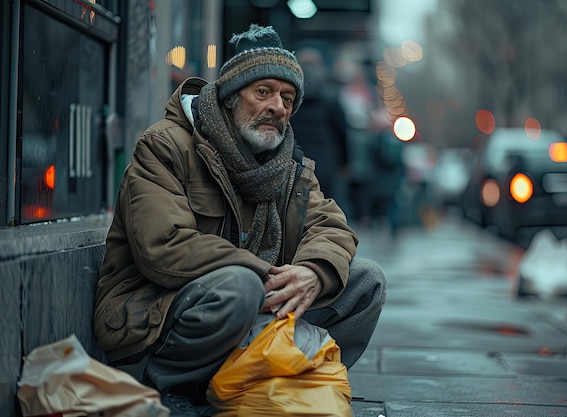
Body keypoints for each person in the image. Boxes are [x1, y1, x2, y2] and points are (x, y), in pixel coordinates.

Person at [93, 23, 386, 416]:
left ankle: (278, 377)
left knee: (366, 281)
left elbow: (331, 225)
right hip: (155, 314)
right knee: (241, 286)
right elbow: (162, 245)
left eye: (287, 97)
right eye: (262, 92)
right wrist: (267, 275)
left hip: (252, 305)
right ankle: (170, 384)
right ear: (231, 97)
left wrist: (312, 273)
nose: (277, 107)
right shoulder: (166, 145)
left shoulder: (291, 165)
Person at [290, 47, 349, 206]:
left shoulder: (290, 94)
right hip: (326, 161)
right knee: (325, 206)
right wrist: (345, 162)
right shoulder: (330, 93)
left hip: (296, 158)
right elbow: (342, 131)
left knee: (297, 207)